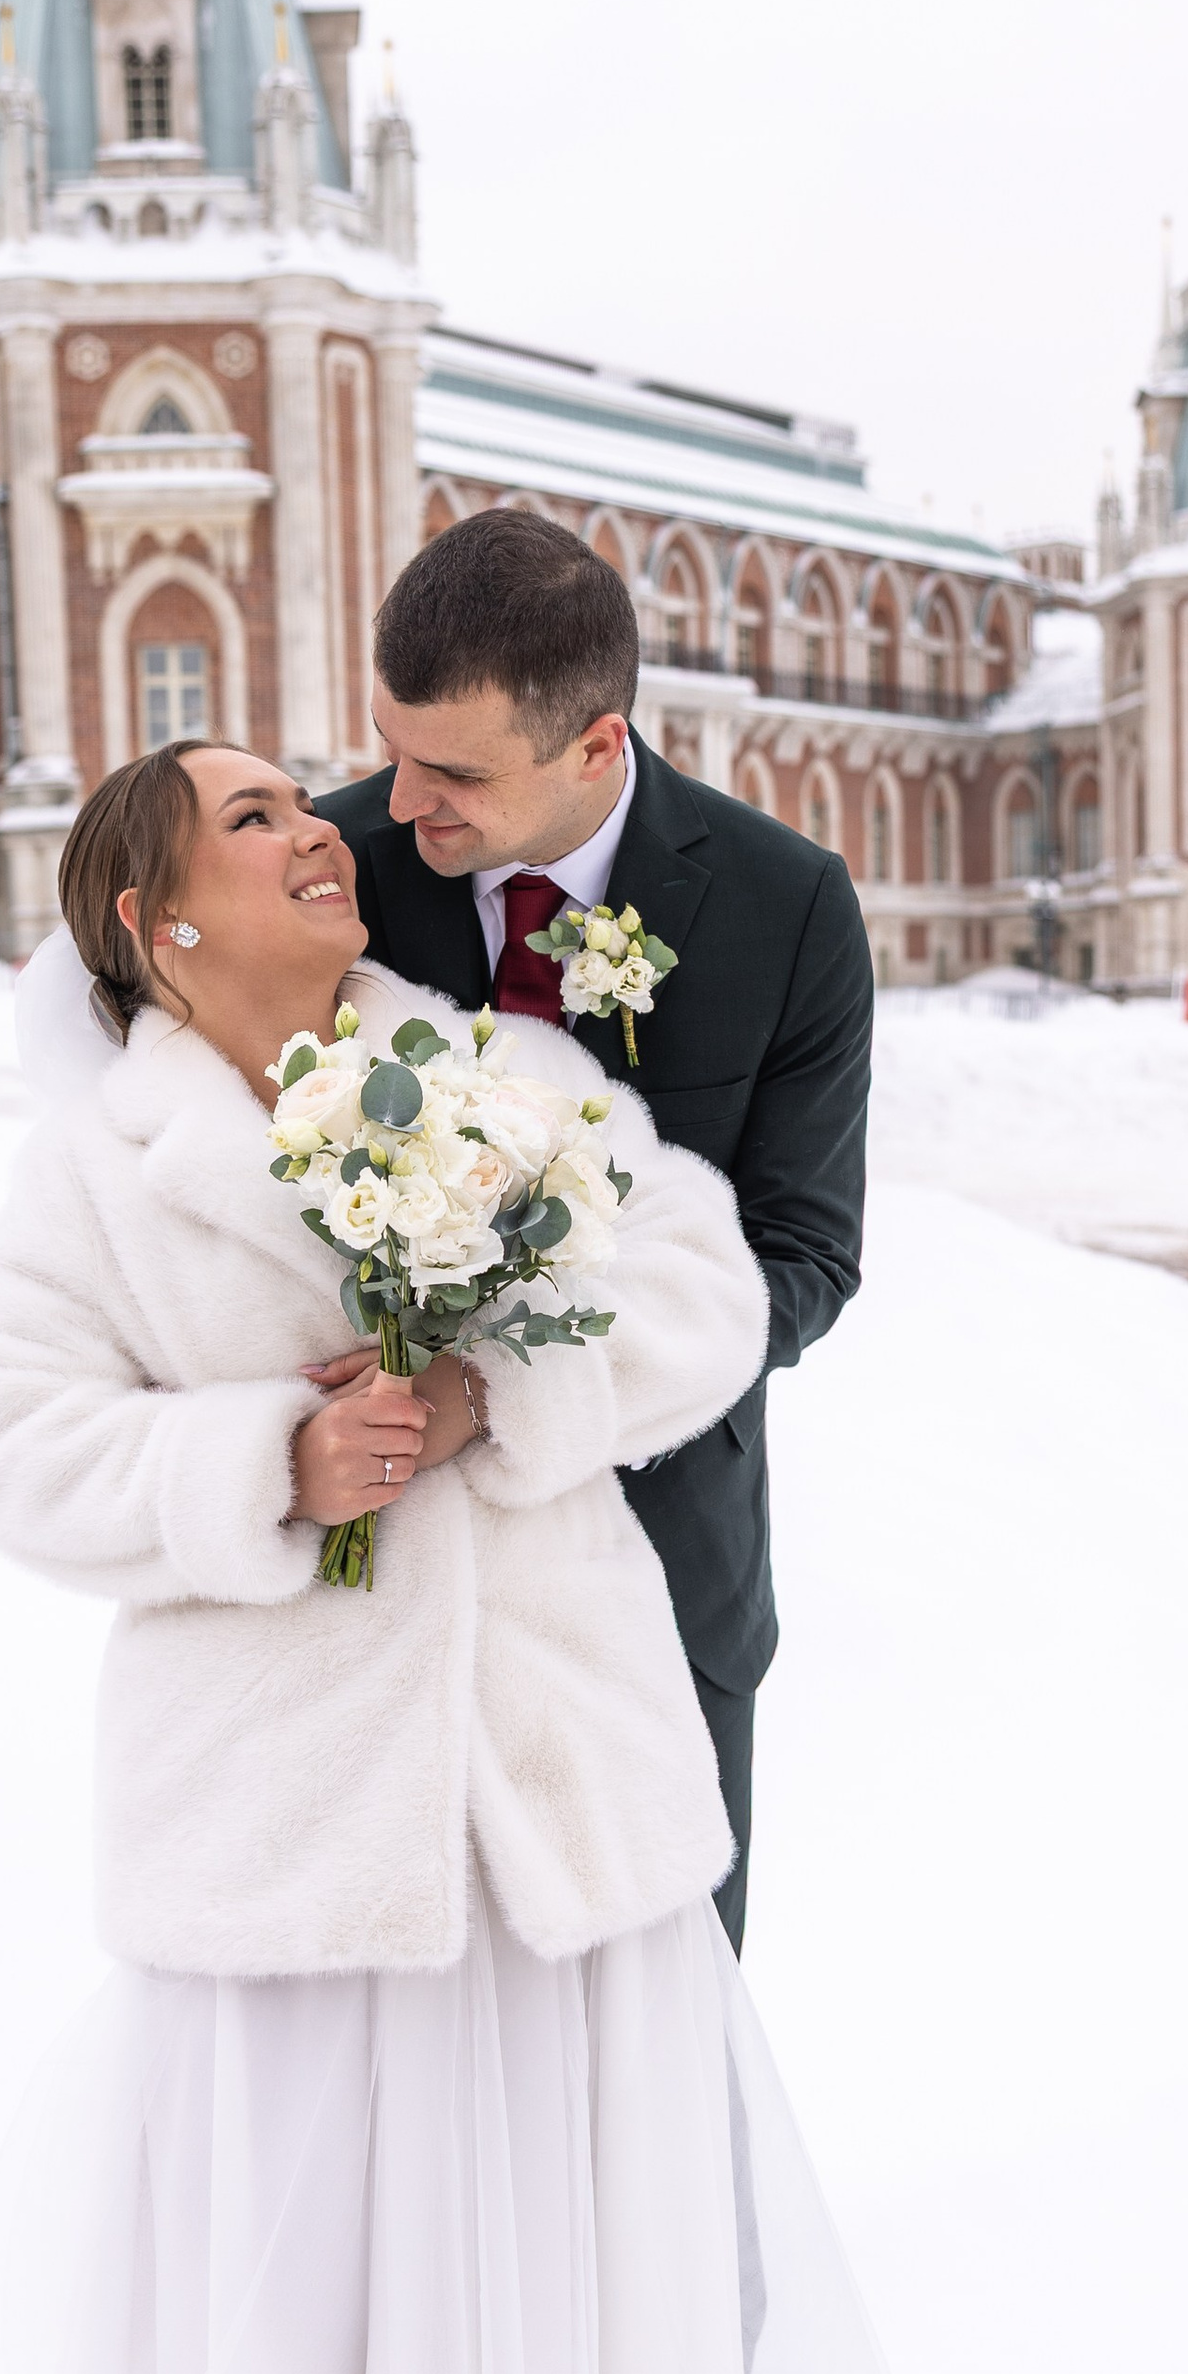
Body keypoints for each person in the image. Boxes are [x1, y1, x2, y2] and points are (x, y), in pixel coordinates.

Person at [0, 738, 953, 2374]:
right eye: (257, 822)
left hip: (544, 1803)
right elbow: (17, 1449)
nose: (322, 832)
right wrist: (265, 1454)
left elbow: (690, 1284)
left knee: (562, 2278)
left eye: (313, 800)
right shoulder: (91, 1175)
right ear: (156, 928)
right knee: (316, 2326)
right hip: (289, 1841)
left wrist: (509, 1392)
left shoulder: (487, 1074)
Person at [319, 506, 874, 1948]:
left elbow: (803, 1262)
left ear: (598, 747)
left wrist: (513, 1391)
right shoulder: (337, 871)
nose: (402, 801)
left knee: (667, 2052)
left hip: (663, 1554)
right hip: (387, 1585)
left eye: (454, 774)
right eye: (390, 746)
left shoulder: (787, 907)